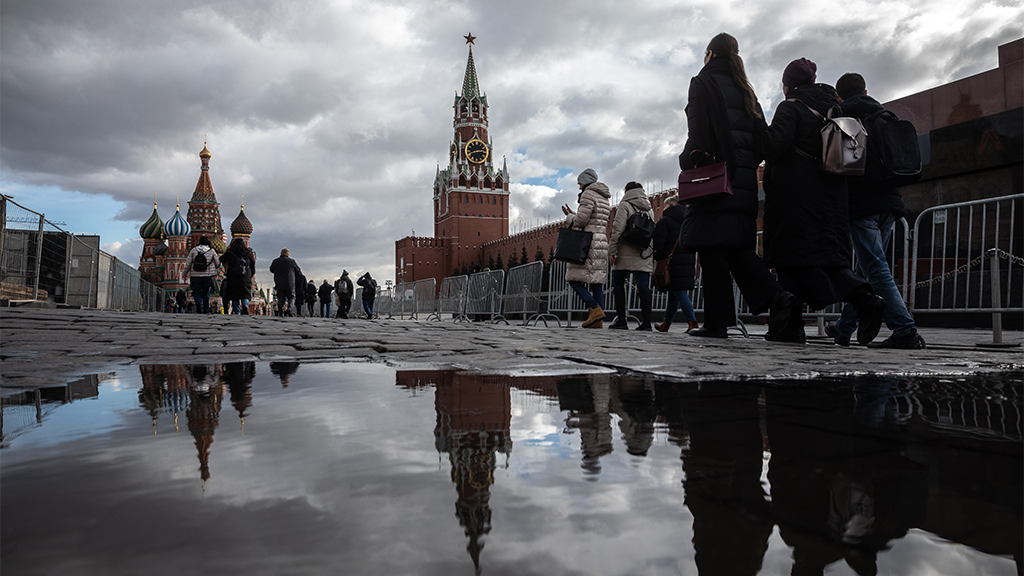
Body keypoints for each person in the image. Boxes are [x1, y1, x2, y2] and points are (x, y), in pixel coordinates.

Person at [757, 58, 885, 344]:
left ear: (787, 84)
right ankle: (791, 326)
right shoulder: (834, 109)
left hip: (795, 199)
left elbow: (772, 146)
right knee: (816, 260)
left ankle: (861, 301)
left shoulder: (791, 107)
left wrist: (757, 126)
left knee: (794, 259)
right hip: (830, 198)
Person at [679, 32, 798, 339]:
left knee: (712, 248)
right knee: (729, 248)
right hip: (743, 180)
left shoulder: (702, 82)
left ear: (709, 54)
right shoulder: (747, 89)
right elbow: (761, 139)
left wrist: (686, 160)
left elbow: (698, 134)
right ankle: (755, 307)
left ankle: (733, 316)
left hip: (715, 178)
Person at [827, 73, 926, 350]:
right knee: (866, 269)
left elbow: (841, 167)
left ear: (839, 97)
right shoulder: (884, 116)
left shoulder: (845, 120)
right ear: (865, 91)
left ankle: (904, 329)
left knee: (876, 269)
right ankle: (844, 328)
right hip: (890, 202)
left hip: (862, 206)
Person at [561, 168, 611, 329]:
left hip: (587, 243)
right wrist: (574, 213)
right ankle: (597, 321)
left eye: (580, 183)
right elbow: (593, 219)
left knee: (572, 278)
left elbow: (581, 221)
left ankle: (594, 308)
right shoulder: (604, 197)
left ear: (585, 182)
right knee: (596, 282)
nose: (579, 187)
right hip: (601, 242)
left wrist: (569, 217)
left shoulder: (588, 194)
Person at [608, 181, 655, 330]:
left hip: (625, 251)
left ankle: (622, 320)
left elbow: (617, 229)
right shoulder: (649, 208)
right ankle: (646, 322)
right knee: (643, 286)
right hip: (643, 252)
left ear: (626, 191)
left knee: (618, 283)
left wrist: (612, 251)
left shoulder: (625, 205)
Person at [652, 195, 699, 333]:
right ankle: (666, 324)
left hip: (671, 262)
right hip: (687, 260)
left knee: (679, 292)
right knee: (674, 293)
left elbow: (659, 244)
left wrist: (657, 257)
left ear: (671, 206)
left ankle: (692, 322)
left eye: (665, 205)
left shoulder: (665, 221)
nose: (664, 208)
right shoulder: (689, 220)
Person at [182, 235, 221, 314]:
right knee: (206, 292)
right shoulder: (212, 251)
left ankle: (198, 302)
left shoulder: (194, 250)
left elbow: (188, 263)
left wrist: (184, 273)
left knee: (196, 292)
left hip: (195, 275)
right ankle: (206, 309)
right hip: (207, 276)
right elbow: (217, 263)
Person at [220, 238, 255, 315]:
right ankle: (245, 305)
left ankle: (237, 311)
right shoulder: (248, 252)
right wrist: (251, 274)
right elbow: (252, 264)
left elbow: (222, 259)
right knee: (245, 294)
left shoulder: (230, 252)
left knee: (234, 294)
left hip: (233, 276)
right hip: (245, 276)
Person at [269, 248, 301, 316]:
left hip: (279, 283)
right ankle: (289, 308)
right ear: (288, 254)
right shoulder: (292, 261)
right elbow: (298, 270)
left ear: (281, 253)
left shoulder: (275, 261)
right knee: (292, 297)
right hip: (290, 283)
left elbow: (271, 269)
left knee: (281, 298)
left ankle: (281, 312)